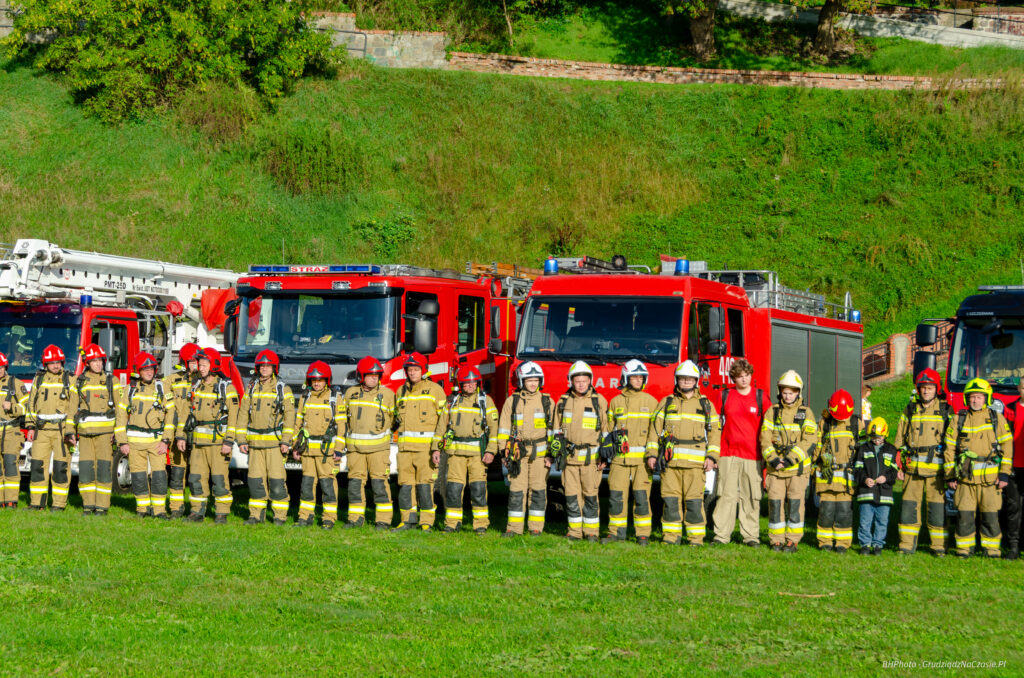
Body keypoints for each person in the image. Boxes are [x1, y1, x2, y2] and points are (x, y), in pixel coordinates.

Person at [648, 360, 721, 546]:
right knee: (670, 501)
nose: (686, 381)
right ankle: (671, 537)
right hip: (670, 464)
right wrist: (651, 454)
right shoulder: (666, 402)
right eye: (682, 378)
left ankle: (696, 539)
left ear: (696, 381)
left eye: (690, 378)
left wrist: (712, 457)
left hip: (695, 466)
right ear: (677, 380)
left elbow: (714, 433)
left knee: (695, 503)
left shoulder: (706, 405)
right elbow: (655, 431)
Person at [944, 378, 1013, 558]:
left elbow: (1007, 446)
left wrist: (1004, 474)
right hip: (965, 479)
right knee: (964, 517)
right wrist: (951, 475)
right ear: (967, 399)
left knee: (990, 517)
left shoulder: (996, 418)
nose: (975, 400)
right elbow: (949, 448)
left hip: (990, 481)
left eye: (979, 397)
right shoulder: (958, 419)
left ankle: (991, 550)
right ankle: (964, 550)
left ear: (986, 398)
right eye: (972, 397)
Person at [712, 358, 771, 547]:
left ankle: (751, 537)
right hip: (728, 454)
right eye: (740, 377)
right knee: (725, 496)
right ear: (733, 378)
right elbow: (714, 426)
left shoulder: (761, 397)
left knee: (751, 497)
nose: (744, 379)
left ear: (751, 376)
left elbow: (770, 428)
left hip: (753, 455)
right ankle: (721, 536)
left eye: (747, 376)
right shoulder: (725, 396)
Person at [760, 370, 819, 552]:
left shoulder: (806, 413)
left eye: (791, 393)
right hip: (775, 469)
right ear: (780, 392)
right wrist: (773, 459)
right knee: (775, 504)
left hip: (797, 470)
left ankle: (792, 541)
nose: (787, 396)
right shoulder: (773, 411)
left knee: (795, 505)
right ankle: (776, 540)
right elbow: (764, 437)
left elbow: (809, 441)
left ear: (798, 393)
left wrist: (789, 459)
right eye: (784, 392)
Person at [894, 368, 951, 557]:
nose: (926, 391)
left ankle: (938, 547)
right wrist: (899, 466)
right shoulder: (910, 409)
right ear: (918, 390)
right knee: (909, 508)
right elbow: (899, 441)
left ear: (936, 389)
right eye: (923, 388)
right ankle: (906, 545)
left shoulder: (945, 411)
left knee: (936, 509)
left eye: (929, 388)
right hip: (912, 469)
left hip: (937, 472)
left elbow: (952, 442)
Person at [237, 350, 296, 526]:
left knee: (277, 481)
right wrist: (241, 440)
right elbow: (242, 415)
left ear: (274, 368)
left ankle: (279, 516)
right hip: (255, 444)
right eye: (262, 366)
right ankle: (256, 515)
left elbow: (290, 416)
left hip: (275, 446)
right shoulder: (251, 387)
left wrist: (286, 440)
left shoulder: (283, 389)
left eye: (268, 366)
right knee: (255, 481)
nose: (264, 369)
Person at [181, 348, 240, 524]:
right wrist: (182, 436)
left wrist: (229, 441)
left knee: (219, 480)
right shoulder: (196, 386)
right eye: (199, 364)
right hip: (198, 443)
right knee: (196, 479)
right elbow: (187, 413)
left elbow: (233, 417)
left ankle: (221, 513)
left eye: (204, 364)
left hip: (218, 443)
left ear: (214, 365)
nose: (200, 367)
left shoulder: (226, 388)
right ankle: (197, 512)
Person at [553, 361, 609, 542]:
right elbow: (556, 432)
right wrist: (555, 453)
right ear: (571, 381)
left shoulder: (599, 401)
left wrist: (605, 456)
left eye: (584, 380)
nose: (581, 384)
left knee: (590, 496)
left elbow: (606, 431)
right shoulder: (562, 401)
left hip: (591, 460)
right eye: (577, 381)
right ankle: (575, 531)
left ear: (590, 381)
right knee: (571, 496)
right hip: (569, 459)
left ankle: (591, 532)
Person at [604, 360, 657, 545]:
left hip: (642, 462)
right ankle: (616, 533)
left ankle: (643, 534)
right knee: (616, 497)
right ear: (626, 378)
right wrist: (605, 453)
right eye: (634, 376)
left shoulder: (651, 402)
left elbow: (655, 432)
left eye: (641, 377)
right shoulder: (615, 401)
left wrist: (652, 454)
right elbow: (608, 431)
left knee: (642, 499)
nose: (638, 380)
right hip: (619, 460)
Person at [438, 366, 498, 534]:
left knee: (478, 490)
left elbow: (494, 430)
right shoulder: (452, 402)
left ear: (477, 383)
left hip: (478, 456)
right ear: (460, 384)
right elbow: (441, 427)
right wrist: (437, 449)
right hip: (455, 455)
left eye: (473, 383)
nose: (470, 386)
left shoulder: (486, 402)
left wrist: (491, 451)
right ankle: (452, 524)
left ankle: (480, 525)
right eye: (466, 383)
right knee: (453, 490)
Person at [339, 356, 395, 529]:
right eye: (370, 375)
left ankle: (383, 520)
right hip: (355, 450)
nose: (374, 378)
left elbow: (395, 420)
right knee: (355, 485)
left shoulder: (388, 394)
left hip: (379, 450)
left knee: (379, 484)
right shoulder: (350, 393)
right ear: (360, 376)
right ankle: (355, 519)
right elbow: (342, 421)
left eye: (377, 375)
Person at [116, 352, 175, 518]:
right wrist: (122, 443)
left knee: (159, 477)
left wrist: (166, 440)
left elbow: (171, 415)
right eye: (145, 369)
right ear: (138, 371)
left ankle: (159, 511)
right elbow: (120, 417)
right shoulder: (129, 390)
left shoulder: (162, 388)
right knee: (138, 477)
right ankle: (142, 509)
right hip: (134, 444)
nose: (149, 372)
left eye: (151, 369)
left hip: (157, 443)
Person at [497, 361, 553, 537]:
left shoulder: (547, 401)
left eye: (536, 380)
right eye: (529, 380)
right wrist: (502, 452)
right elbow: (504, 429)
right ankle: (514, 529)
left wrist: (551, 454)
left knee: (538, 490)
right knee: (516, 491)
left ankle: (536, 528)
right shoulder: (512, 401)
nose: (533, 383)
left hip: (540, 454)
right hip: (517, 454)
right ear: (522, 381)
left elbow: (553, 430)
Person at [392, 352, 446, 531]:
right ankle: (407, 521)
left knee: (425, 486)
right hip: (405, 450)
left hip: (425, 451)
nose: (412, 373)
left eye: (416, 369)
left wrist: (437, 448)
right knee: (405, 486)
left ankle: (426, 522)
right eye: (409, 370)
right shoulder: (400, 391)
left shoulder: (435, 390)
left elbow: (443, 421)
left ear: (424, 371)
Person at [26, 345, 79, 511]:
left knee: (61, 468)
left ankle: (58, 505)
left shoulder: (70, 379)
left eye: (58, 362)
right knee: (37, 467)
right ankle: (37, 503)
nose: (56, 365)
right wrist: (30, 427)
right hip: (41, 430)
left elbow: (74, 406)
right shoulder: (39, 379)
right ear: (45, 364)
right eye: (51, 363)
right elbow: (31, 404)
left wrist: (70, 431)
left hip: (61, 431)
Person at [74, 343, 125, 516]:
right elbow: (71, 409)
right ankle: (88, 506)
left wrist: (119, 436)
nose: (98, 364)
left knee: (103, 471)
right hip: (85, 435)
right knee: (86, 471)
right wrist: (69, 431)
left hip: (105, 436)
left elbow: (121, 410)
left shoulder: (113, 381)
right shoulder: (79, 382)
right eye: (94, 361)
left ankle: (102, 507)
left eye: (100, 361)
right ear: (87, 363)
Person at [293, 361, 343, 529]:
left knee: (327, 485)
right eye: (313, 380)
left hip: (326, 452)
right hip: (307, 450)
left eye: (320, 379)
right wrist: (296, 446)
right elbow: (298, 423)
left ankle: (329, 518)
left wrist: (339, 450)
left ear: (327, 380)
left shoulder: (335, 398)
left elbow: (341, 426)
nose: (316, 383)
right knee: (307, 485)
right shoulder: (305, 397)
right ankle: (304, 517)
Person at [814, 389, 860, 553]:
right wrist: (816, 462)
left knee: (844, 512)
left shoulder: (856, 423)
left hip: (846, 479)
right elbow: (817, 447)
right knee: (826, 511)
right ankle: (824, 542)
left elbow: (862, 450)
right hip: (827, 477)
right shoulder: (824, 423)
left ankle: (842, 543)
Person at [853, 417, 898, 555]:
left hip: (884, 494)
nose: (876, 440)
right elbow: (857, 469)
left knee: (882, 521)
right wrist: (865, 479)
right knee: (865, 520)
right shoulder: (863, 448)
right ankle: (865, 545)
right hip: (866, 493)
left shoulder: (891, 449)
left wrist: (886, 478)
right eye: (873, 437)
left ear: (885, 435)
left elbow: (894, 471)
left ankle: (878, 545)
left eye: (879, 437)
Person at [166, 343, 201, 518]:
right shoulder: (172, 380)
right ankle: (176, 508)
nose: (196, 365)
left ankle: (196, 510)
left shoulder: (206, 381)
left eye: (198, 361)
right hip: (176, 435)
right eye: (193, 361)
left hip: (197, 435)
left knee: (196, 474)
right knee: (177, 473)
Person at [0, 352, 29, 508]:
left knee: (10, 465)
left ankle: (11, 501)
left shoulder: (16, 384)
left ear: (5, 368)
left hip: (11, 430)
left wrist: (12, 407)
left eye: (1, 367)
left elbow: (28, 408)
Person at [1001, 377, 1024, 560]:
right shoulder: (1010, 409)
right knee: (1013, 507)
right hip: (1014, 467)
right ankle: (1013, 546)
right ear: (1019, 389)